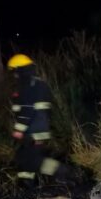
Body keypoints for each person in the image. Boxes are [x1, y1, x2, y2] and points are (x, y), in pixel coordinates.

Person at [7, 54, 70, 188]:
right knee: (23, 157)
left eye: (14, 72)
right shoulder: (38, 83)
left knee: (34, 161)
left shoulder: (27, 85)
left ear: (20, 70)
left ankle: (62, 171)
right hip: (39, 127)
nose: (14, 76)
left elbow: (27, 109)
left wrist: (19, 130)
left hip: (32, 129)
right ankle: (26, 184)